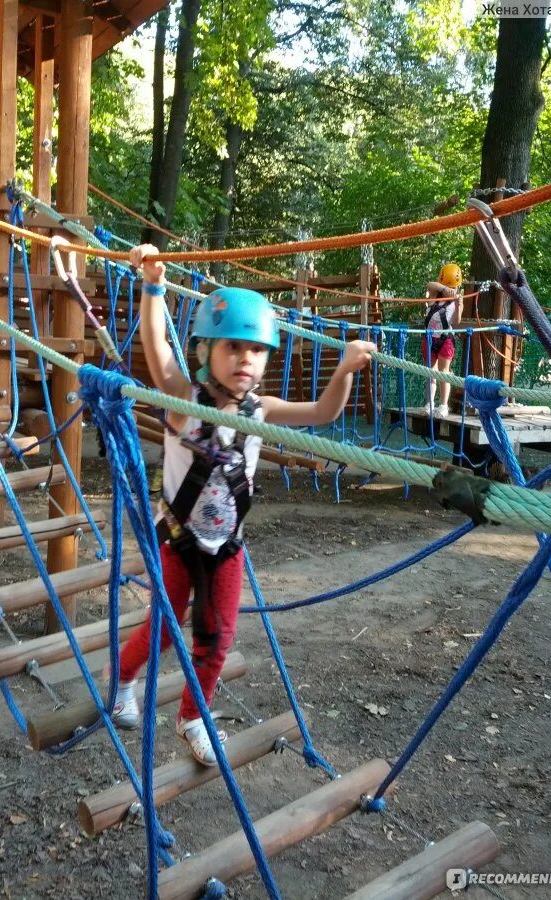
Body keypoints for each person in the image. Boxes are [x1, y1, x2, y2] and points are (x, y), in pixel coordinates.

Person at [112, 244, 375, 765]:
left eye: (256, 350)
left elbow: (322, 413)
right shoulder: (183, 400)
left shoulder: (263, 409)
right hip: (180, 540)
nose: (245, 359)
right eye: (232, 347)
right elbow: (157, 346)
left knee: (218, 636)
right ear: (206, 349)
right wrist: (153, 287)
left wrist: (344, 369)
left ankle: (193, 717)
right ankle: (122, 678)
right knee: (164, 628)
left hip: (227, 546)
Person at [421, 262, 464, 418]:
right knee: (430, 372)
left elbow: (456, 321)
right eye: (449, 286)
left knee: (443, 372)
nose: (453, 290)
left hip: (445, 339)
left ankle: (443, 405)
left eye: (453, 287)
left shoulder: (456, 301)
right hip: (430, 338)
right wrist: (444, 289)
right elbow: (430, 284)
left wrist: (459, 305)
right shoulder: (434, 296)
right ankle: (430, 403)